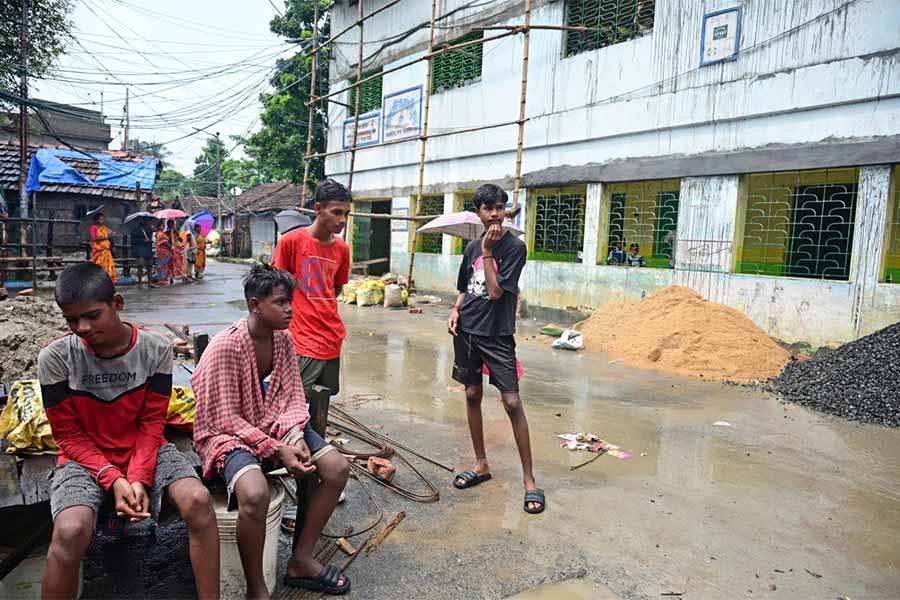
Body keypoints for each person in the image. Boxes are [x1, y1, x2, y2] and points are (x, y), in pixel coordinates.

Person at [37, 263, 219, 599]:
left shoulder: (155, 349)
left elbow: (151, 425)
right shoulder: (55, 358)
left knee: (199, 500)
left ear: (117, 303)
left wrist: (136, 477)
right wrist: (114, 478)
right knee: (69, 530)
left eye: (93, 315)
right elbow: (69, 436)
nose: (83, 328)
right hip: (83, 456)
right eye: (72, 320)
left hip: (144, 445)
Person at [192, 263, 351, 598]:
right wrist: (277, 449)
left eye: (290, 301)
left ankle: (302, 560)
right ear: (255, 305)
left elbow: (293, 394)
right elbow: (222, 418)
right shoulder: (226, 347)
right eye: (280, 302)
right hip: (227, 436)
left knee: (336, 468)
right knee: (255, 494)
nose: (289, 309)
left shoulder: (283, 339)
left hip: (274, 425)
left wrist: (294, 436)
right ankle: (256, 588)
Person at [448, 184, 545, 515]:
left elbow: (493, 293)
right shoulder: (472, 248)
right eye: (488, 208)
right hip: (467, 333)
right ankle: (481, 464)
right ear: (478, 211)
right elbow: (465, 288)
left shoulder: (515, 248)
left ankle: (530, 481)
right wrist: (455, 309)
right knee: (471, 395)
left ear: (505, 211)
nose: (494, 214)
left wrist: (489, 252)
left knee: (512, 402)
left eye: (500, 208)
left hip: (496, 334)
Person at [272, 179, 351, 534]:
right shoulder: (292, 242)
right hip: (300, 342)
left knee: (319, 413)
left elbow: (334, 289)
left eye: (346, 214)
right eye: (336, 213)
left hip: (331, 338)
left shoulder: (343, 250)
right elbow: (277, 289)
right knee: (293, 417)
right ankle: (297, 493)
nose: (341, 220)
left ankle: (318, 479)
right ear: (317, 209)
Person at [89, 212, 117, 284]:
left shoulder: (104, 227)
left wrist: (112, 233)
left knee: (108, 267)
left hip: (106, 251)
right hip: (99, 251)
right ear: (97, 220)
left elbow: (110, 233)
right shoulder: (93, 228)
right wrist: (106, 237)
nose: (103, 221)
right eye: (101, 219)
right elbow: (94, 238)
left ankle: (107, 281)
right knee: (99, 266)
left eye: (103, 219)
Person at [131, 218, 154, 288]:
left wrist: (151, 234)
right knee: (140, 266)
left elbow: (150, 238)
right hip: (139, 250)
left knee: (149, 266)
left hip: (148, 249)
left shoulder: (149, 228)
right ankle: (140, 284)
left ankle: (150, 283)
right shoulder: (136, 229)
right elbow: (133, 240)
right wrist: (143, 240)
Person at [155, 221, 175, 286]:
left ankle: (163, 279)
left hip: (163, 251)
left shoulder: (160, 233)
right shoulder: (160, 234)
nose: (163, 227)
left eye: (163, 226)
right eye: (162, 226)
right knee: (162, 265)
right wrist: (170, 246)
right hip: (163, 251)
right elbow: (164, 242)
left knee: (164, 265)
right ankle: (161, 279)